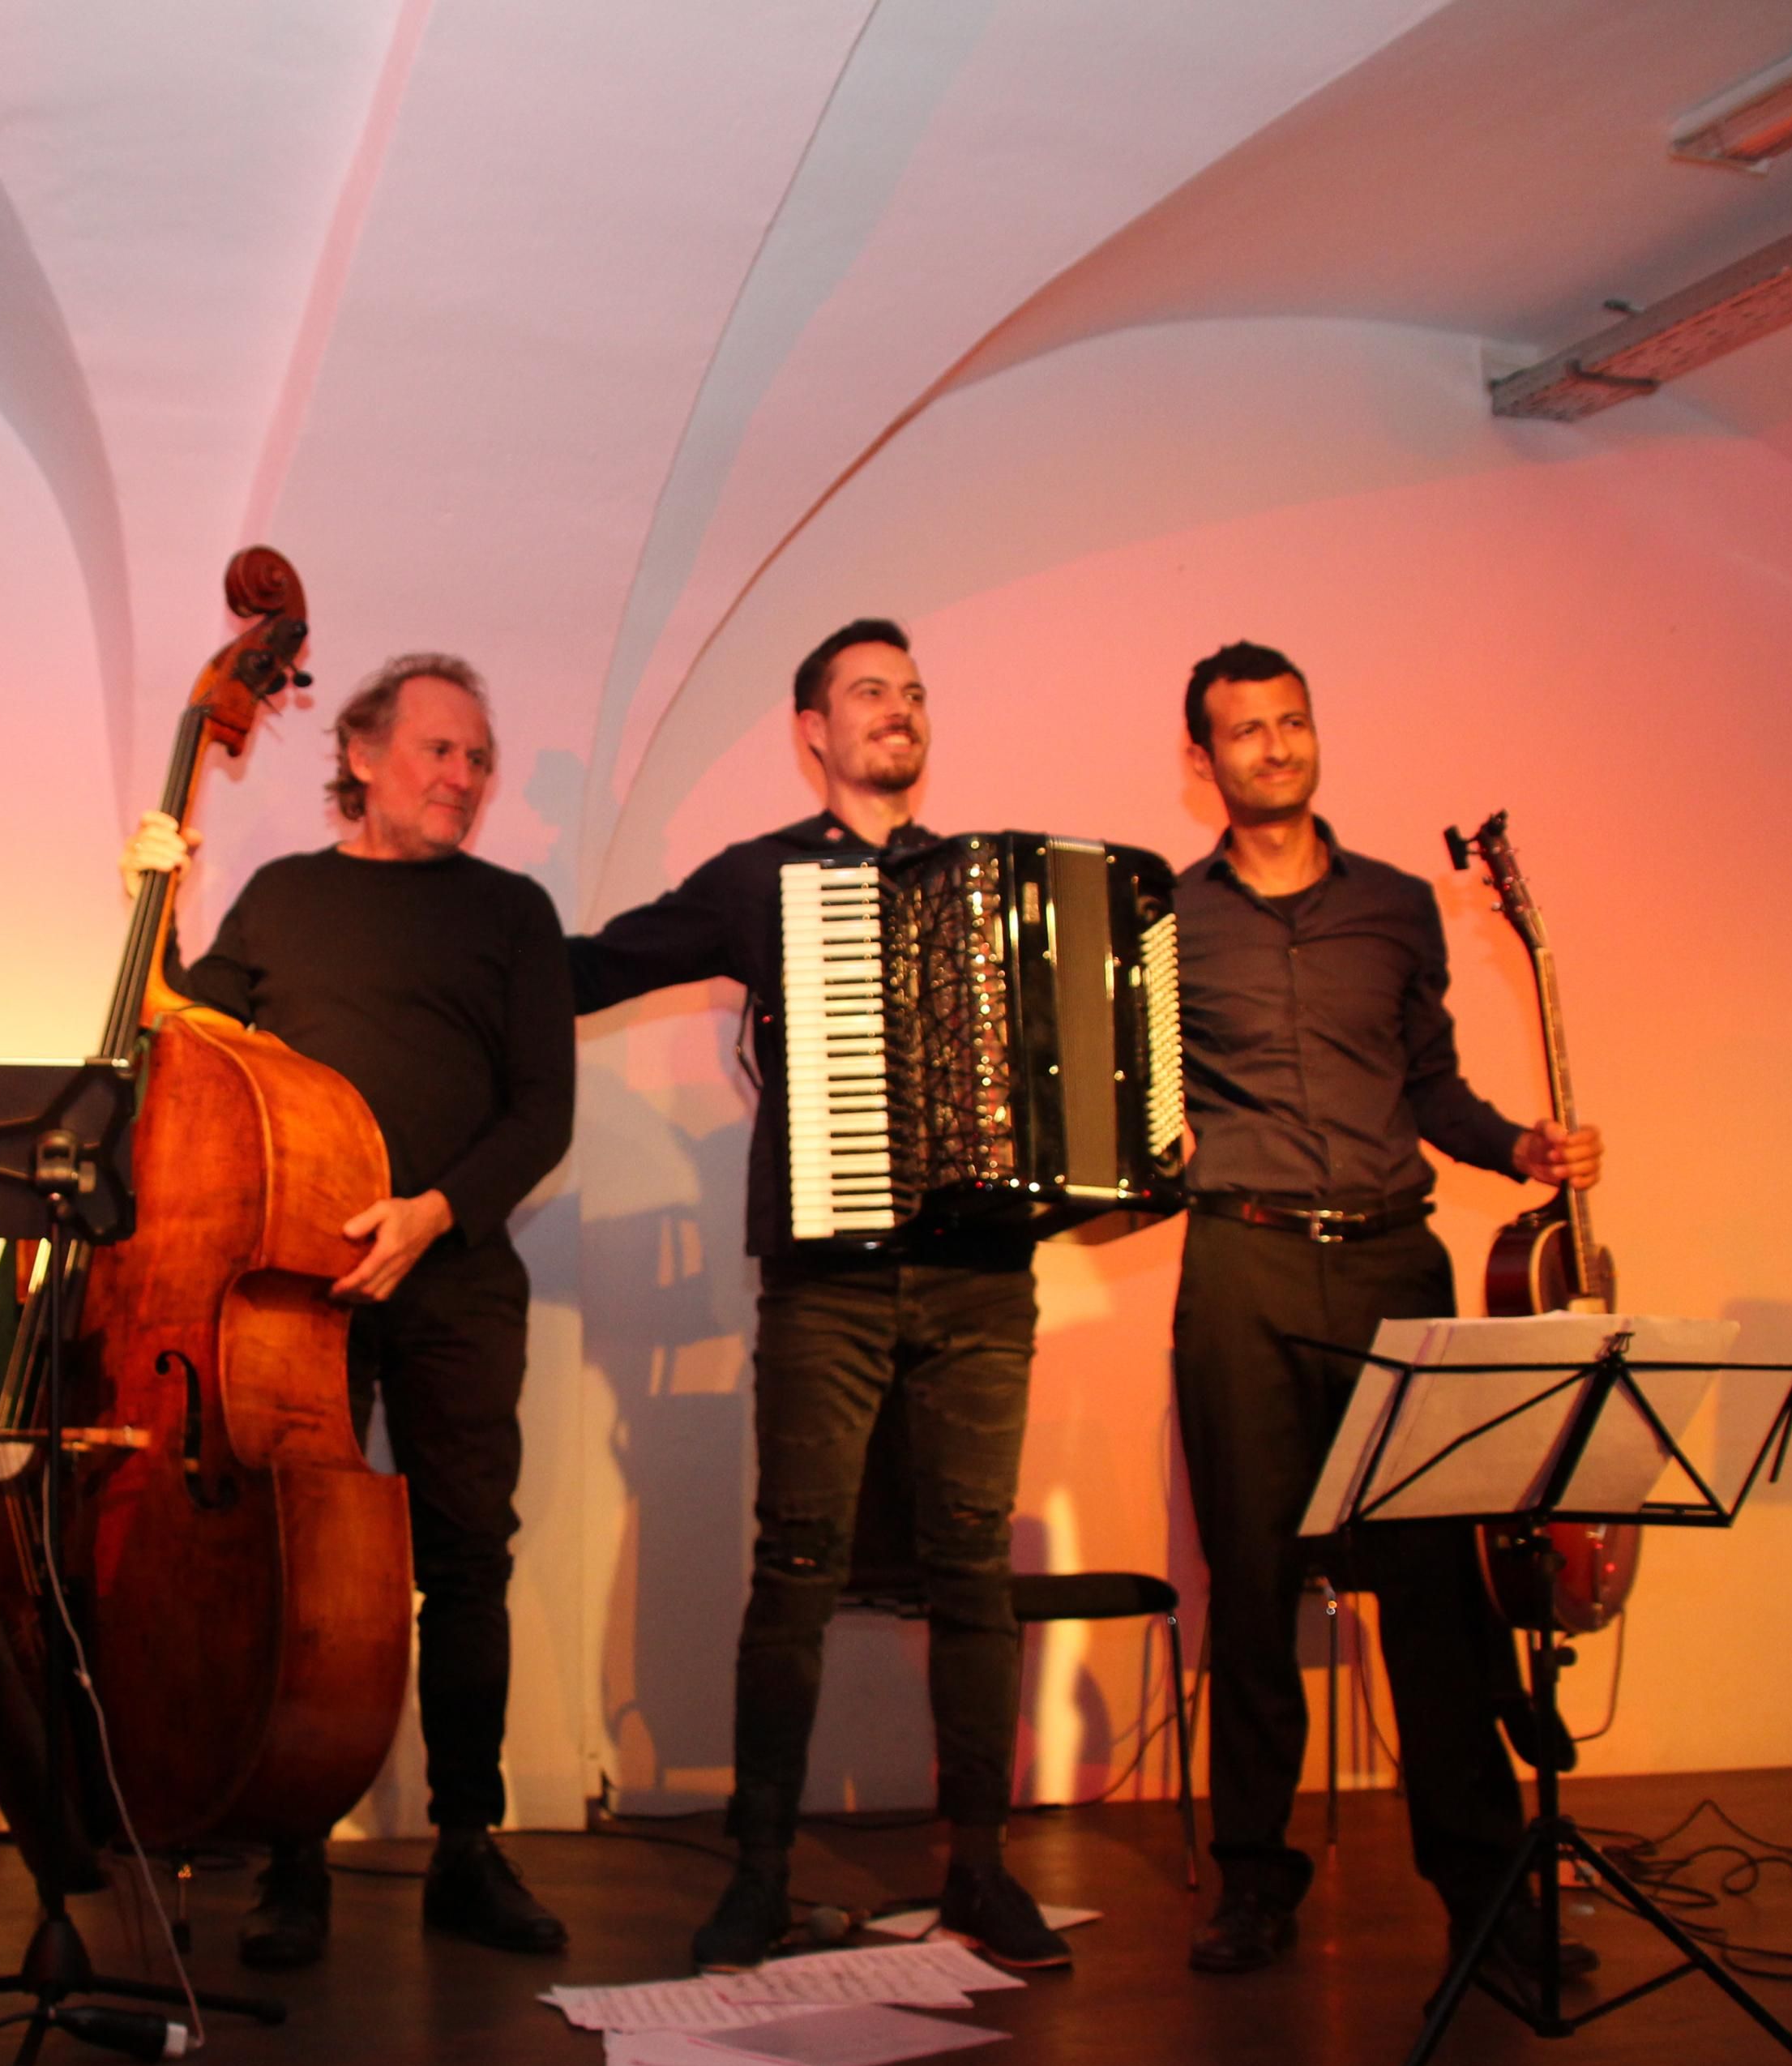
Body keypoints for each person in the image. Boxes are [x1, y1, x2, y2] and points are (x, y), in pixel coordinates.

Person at [566, 619, 1066, 1974]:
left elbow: (1063, 1060)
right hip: (827, 1282)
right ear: (812, 731)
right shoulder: (762, 878)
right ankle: (761, 1872)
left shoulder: (994, 883)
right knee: (795, 1567)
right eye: (868, 691)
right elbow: (599, 966)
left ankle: (981, 1869)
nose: (898, 709)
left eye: (913, 691)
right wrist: (469, 956)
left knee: (972, 1570)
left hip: (980, 1277)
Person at [118, 653, 575, 1966]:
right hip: (297, 1290)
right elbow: (186, 1037)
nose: (464, 775)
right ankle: (292, 1857)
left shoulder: (514, 912)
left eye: (479, 757)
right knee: (297, 1564)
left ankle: (468, 1844)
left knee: (467, 1561)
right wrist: (153, 904)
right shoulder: (284, 895)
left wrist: (433, 1212)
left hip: (455, 1276)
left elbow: (542, 1111)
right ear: (363, 755)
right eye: (440, 749)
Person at [1168, 639, 1603, 1984]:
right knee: (1252, 1585)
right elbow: (1137, 1099)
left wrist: (1518, 1147)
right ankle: (1255, 1880)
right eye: (1247, 730)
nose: (1275, 746)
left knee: (1434, 1593)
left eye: (1292, 721)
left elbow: (1432, 1085)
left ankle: (1485, 1891)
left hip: (1391, 1270)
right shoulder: (1167, 921)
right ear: (1204, 759)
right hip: (1242, 1266)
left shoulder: (1401, 906)